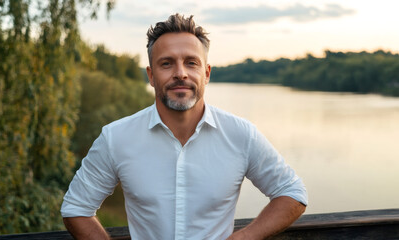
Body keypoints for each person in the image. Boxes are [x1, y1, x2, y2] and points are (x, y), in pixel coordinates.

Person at [61, 13, 308, 240]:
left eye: (191, 63)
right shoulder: (116, 137)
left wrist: (243, 237)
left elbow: (292, 193)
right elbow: (76, 207)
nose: (180, 73)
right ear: (151, 75)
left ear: (207, 73)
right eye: (166, 64)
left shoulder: (241, 135)